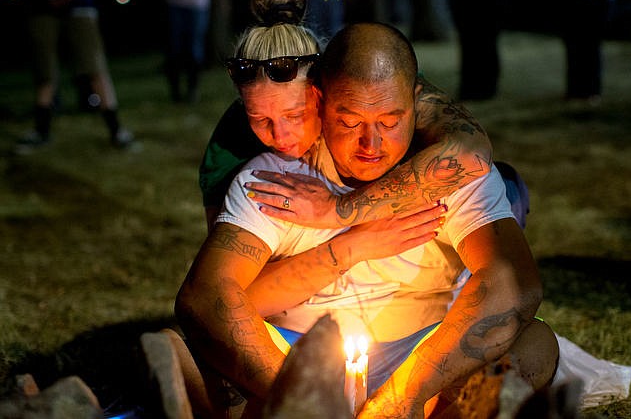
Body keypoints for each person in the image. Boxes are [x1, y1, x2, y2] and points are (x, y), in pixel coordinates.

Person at [171, 22, 557, 418]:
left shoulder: (447, 171)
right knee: (189, 348)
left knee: (536, 344)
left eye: (390, 121)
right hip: (297, 353)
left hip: (415, 354)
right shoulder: (274, 178)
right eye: (350, 121)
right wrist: (305, 393)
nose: (371, 144)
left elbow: (514, 284)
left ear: (416, 104)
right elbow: (208, 296)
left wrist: (403, 397)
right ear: (321, 102)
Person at [199, 0, 499, 232]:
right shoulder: (230, 145)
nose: (279, 136)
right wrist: (354, 245)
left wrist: (338, 210)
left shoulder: (362, 83)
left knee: (505, 183)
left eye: (296, 115)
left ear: (322, 91)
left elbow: (471, 149)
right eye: (260, 120)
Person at [15, 0, 134, 151]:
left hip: (79, 0)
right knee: (45, 70)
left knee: (94, 65)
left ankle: (116, 129)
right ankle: (41, 130)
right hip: (42, 1)